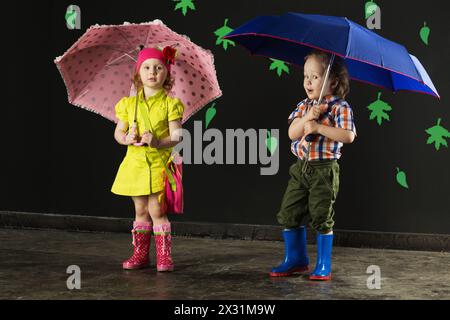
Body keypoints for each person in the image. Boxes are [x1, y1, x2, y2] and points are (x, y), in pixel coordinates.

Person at [270, 49, 357, 280]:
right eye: (305, 76)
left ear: (333, 81)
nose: (308, 81)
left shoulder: (340, 107)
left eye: (315, 77)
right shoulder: (303, 106)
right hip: (301, 168)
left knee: (321, 215)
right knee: (289, 212)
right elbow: (291, 133)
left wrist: (319, 127)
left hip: (324, 170)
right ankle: (296, 260)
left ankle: (323, 264)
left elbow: (348, 136)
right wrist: (308, 118)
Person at [111, 47, 184, 272]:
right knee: (140, 210)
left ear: (167, 74)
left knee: (157, 211)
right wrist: (126, 138)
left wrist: (158, 143)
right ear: (138, 73)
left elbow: (177, 136)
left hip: (158, 165)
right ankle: (140, 254)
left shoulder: (170, 104)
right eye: (146, 67)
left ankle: (164, 256)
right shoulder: (128, 104)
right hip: (135, 165)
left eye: (159, 67)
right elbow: (118, 133)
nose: (152, 72)